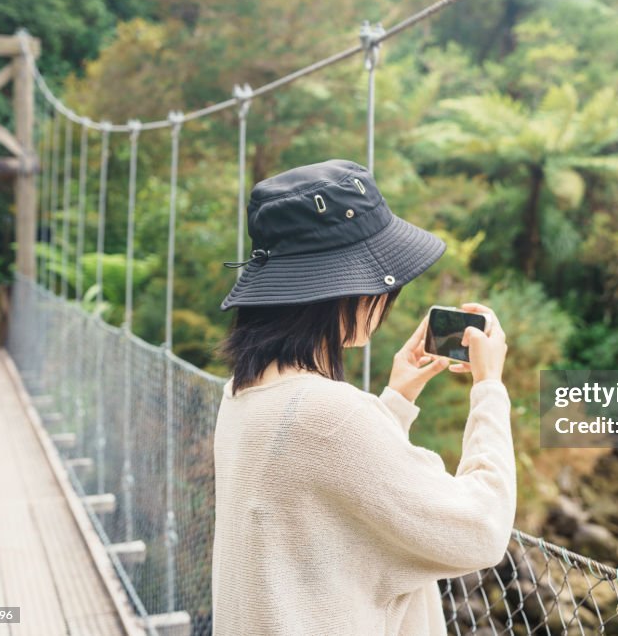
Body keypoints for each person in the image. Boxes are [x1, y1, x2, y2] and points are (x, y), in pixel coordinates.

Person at [211, 159, 517, 635]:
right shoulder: (329, 416)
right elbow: (481, 529)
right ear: (344, 291)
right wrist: (490, 387)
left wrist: (395, 399)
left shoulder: (242, 394)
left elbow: (331, 498)